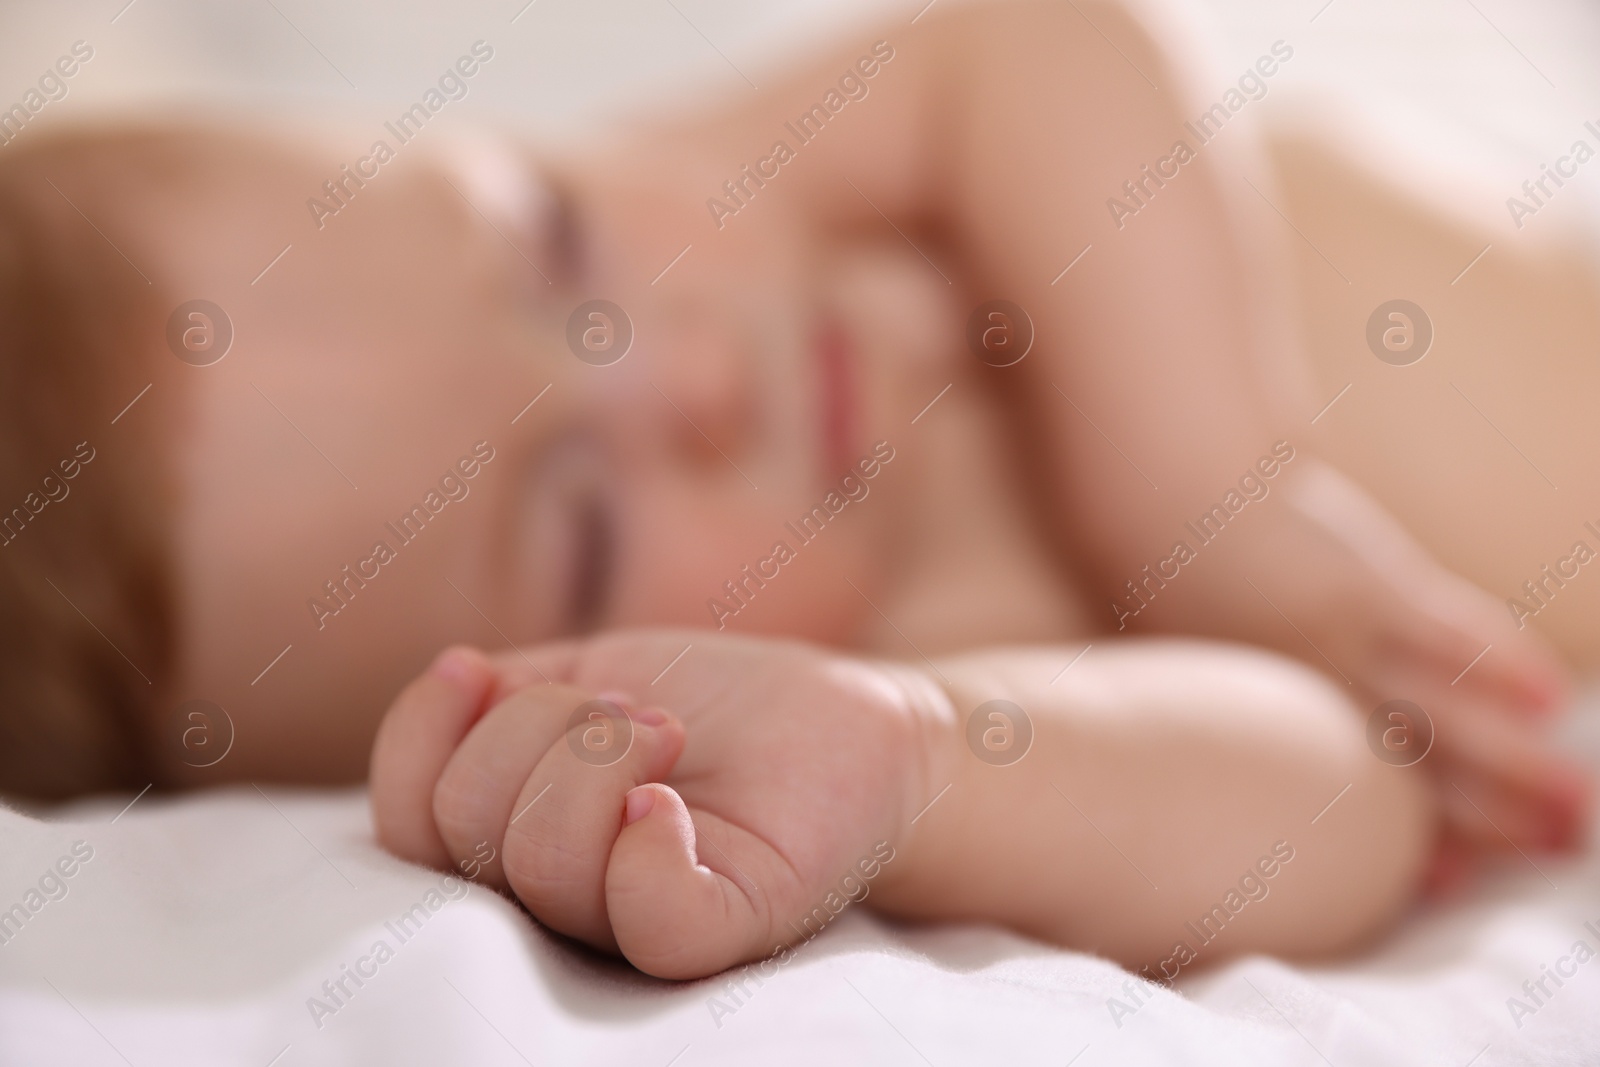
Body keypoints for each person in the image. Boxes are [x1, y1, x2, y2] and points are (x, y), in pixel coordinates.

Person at [0, 0, 1586, 981]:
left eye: (550, 241)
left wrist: (1212, 510)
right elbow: (1346, 807)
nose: (683, 371)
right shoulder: (902, 650)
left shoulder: (791, 194)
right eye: (585, 529)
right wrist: (920, 763)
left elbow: (1047, 38)